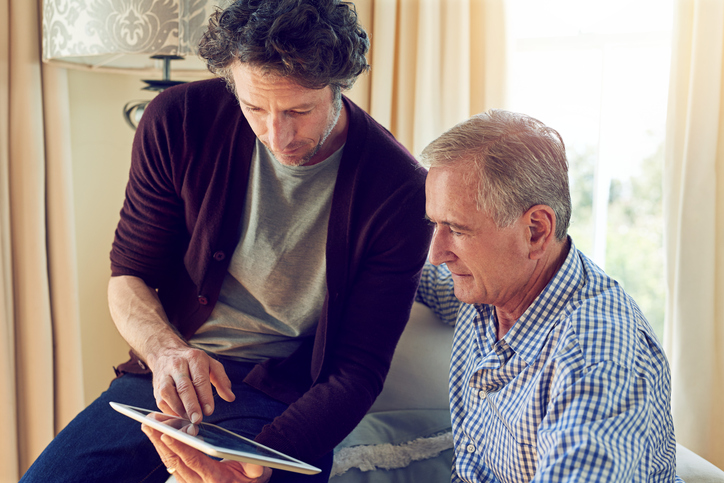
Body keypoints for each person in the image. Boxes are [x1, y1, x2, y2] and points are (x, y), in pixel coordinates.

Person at [21, 1, 432, 482]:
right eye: (254, 107)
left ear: (339, 85)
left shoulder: (401, 190)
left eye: (299, 110)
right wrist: (165, 352)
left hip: (289, 398)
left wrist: (260, 460)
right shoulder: (178, 120)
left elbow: (356, 370)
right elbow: (130, 275)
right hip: (170, 375)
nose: (276, 136)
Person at [416, 110, 682, 482]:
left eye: (457, 230)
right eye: (435, 225)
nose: (436, 252)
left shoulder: (595, 359)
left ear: (536, 231)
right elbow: (411, 273)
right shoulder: (490, 289)